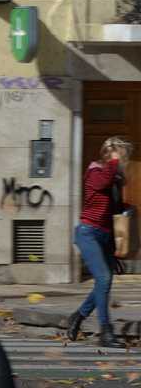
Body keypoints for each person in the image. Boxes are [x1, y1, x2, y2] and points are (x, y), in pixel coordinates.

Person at [65, 136, 133, 348]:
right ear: (109, 154)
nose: (122, 160)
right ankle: (106, 331)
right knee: (103, 279)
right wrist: (113, 162)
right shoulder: (94, 170)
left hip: (105, 235)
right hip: (88, 233)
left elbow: (113, 211)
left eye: (123, 156)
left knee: (105, 282)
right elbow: (101, 183)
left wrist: (126, 210)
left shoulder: (114, 177)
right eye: (120, 155)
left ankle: (78, 316)